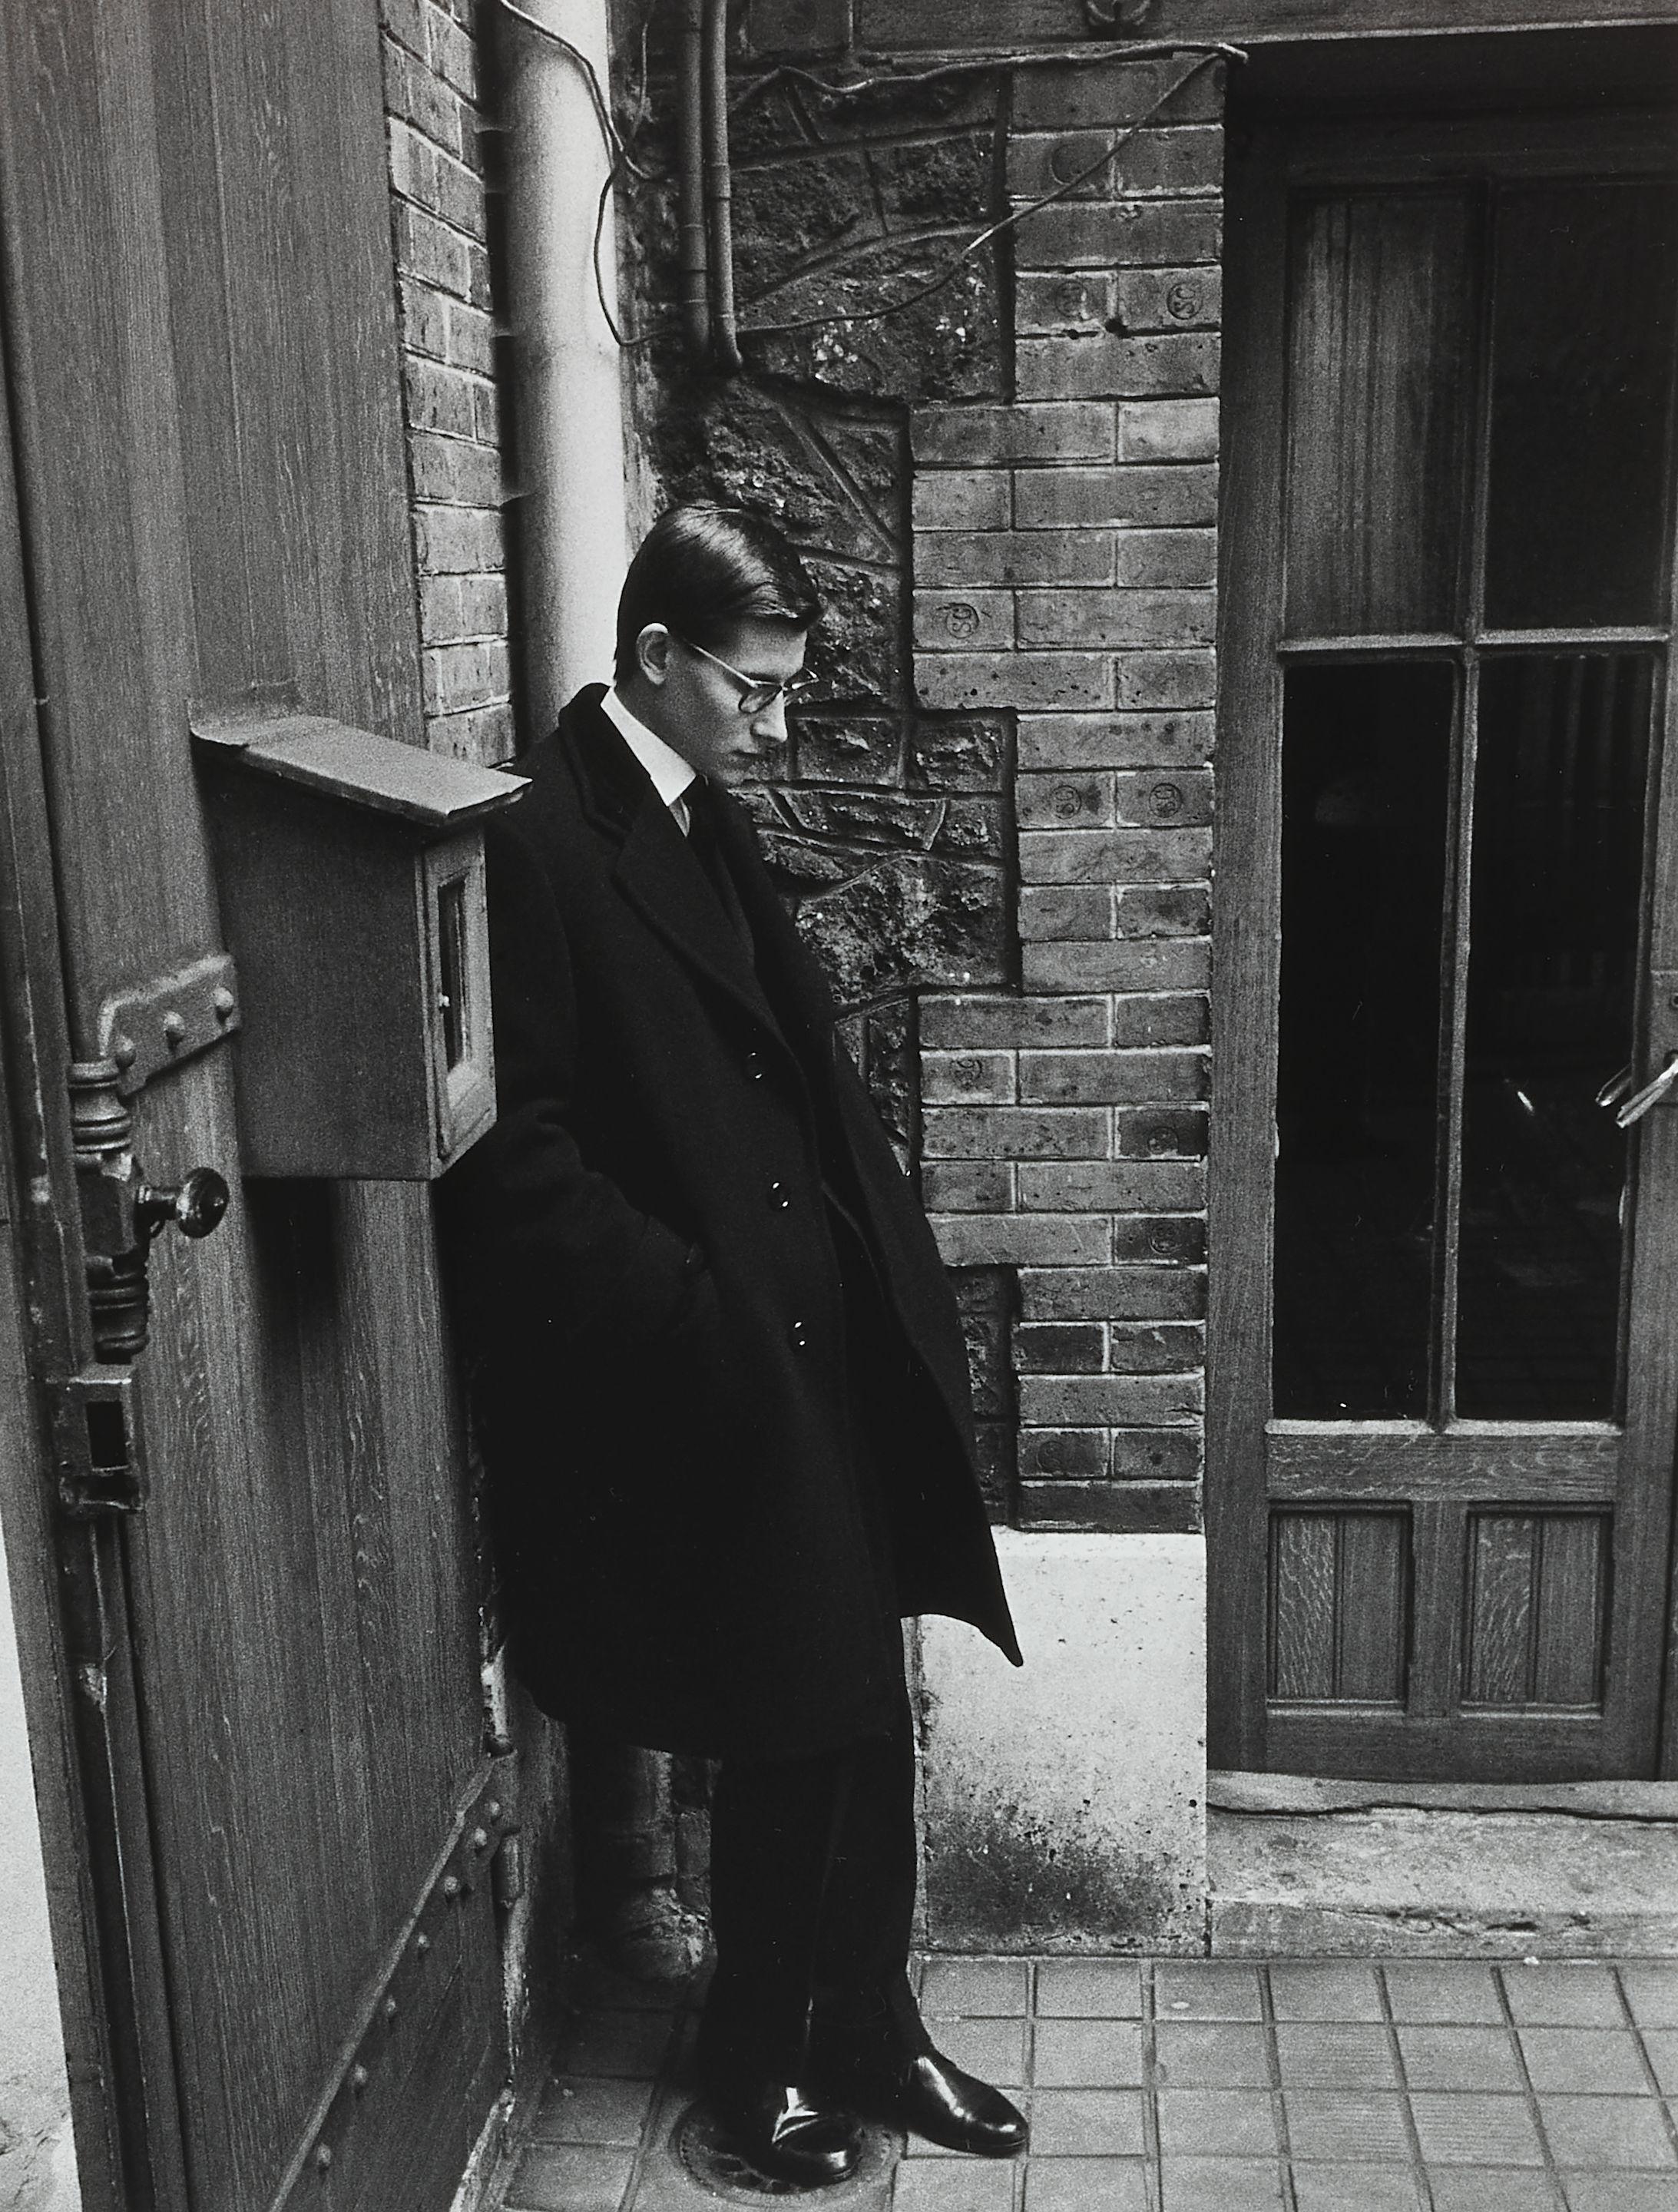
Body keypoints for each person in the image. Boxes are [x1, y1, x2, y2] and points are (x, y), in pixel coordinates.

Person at [441, 504, 1026, 2184]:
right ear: (653, 660)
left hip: (810, 1345)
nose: (775, 723)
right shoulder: (547, 839)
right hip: (710, 1373)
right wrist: (700, 1321)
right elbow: (517, 1161)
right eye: (751, 689)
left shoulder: (689, 810)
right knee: (786, 1711)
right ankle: (749, 2062)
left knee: (861, 1697)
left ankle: (868, 2023)